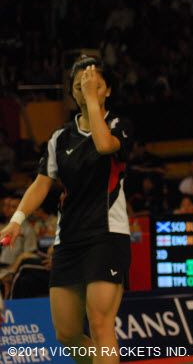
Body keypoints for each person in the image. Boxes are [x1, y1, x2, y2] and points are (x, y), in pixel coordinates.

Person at [0, 55, 133, 364]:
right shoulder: (59, 138)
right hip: (68, 241)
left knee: (100, 324)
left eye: (94, 85)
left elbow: (102, 146)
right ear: (72, 93)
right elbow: (41, 183)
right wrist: (17, 220)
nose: (85, 90)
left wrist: (92, 102)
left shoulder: (118, 125)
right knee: (67, 333)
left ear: (107, 90)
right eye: (79, 86)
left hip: (106, 236)